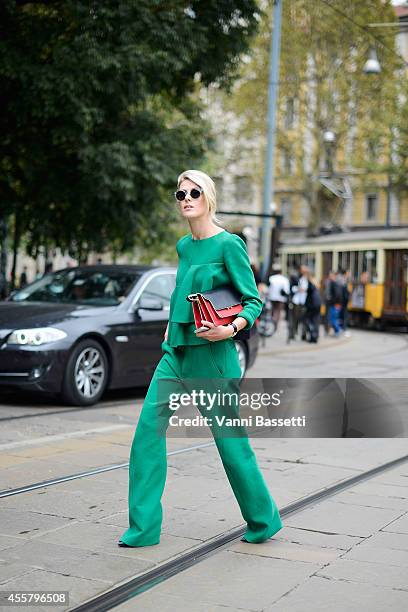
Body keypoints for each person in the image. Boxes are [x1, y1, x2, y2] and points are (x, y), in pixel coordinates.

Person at [119, 169, 283, 548]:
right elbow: (184, 289)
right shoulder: (183, 246)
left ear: (208, 198)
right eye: (180, 194)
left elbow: (253, 299)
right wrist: (170, 325)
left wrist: (233, 327)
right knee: (146, 433)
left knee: (230, 443)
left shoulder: (230, 245)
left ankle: (263, 519)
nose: (187, 198)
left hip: (213, 357)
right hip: (174, 353)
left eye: (194, 192)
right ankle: (142, 529)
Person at [267, 263, 290, 330]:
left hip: (272, 297)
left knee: (272, 310)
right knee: (278, 311)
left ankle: (272, 323)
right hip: (281, 298)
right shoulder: (284, 279)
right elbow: (287, 291)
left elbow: (268, 288)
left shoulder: (271, 278)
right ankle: (275, 324)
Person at [291, 265, 309, 338]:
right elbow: (294, 288)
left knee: (304, 319)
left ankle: (303, 334)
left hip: (304, 301)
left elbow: (305, 289)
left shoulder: (307, 279)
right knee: (295, 318)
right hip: (297, 301)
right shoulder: (298, 278)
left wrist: (301, 289)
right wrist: (298, 289)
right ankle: (294, 333)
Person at [304, 272, 321, 343]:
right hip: (317, 305)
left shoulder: (310, 284)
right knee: (315, 321)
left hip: (311, 305)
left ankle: (312, 336)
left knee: (309, 320)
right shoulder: (316, 284)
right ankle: (315, 336)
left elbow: (309, 294)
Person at [326, 270, 343, 337]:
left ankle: (338, 330)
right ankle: (337, 331)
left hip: (335, 304)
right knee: (334, 318)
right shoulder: (336, 283)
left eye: (331, 276)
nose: (330, 277)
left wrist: (331, 300)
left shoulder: (334, 283)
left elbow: (337, 295)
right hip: (336, 304)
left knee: (333, 318)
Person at [338, 268, 351, 337]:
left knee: (343, 315)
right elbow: (343, 292)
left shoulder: (343, 280)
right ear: (345, 274)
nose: (349, 275)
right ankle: (344, 329)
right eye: (348, 273)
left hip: (343, 301)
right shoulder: (342, 281)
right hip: (343, 301)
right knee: (343, 315)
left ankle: (342, 329)